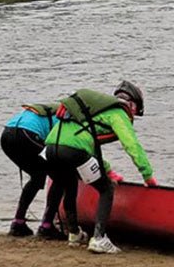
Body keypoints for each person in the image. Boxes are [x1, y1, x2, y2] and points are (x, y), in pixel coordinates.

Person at [40, 81, 156, 254]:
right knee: (106, 189)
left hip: (49, 149)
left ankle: (73, 234)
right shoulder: (118, 112)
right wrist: (147, 176)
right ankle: (99, 238)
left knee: (69, 184)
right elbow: (131, 145)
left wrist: (107, 170)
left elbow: (91, 146)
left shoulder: (94, 111)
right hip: (73, 150)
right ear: (132, 104)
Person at [2, 101, 60, 237]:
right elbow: (60, 145)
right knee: (59, 176)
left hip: (7, 134)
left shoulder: (49, 111)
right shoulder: (66, 119)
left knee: (37, 176)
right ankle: (47, 225)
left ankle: (18, 222)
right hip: (27, 134)